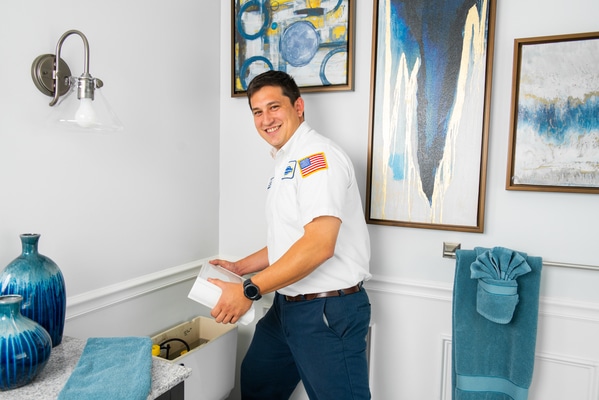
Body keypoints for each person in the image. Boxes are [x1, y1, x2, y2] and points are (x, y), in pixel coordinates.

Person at [209, 70, 372, 400]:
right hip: (287, 307)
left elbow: (318, 245)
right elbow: (290, 242)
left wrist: (249, 289)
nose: (266, 119)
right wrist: (240, 268)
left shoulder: (318, 159)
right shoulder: (286, 162)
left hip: (327, 310)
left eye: (274, 107)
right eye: (257, 111)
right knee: (258, 383)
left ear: (298, 106)